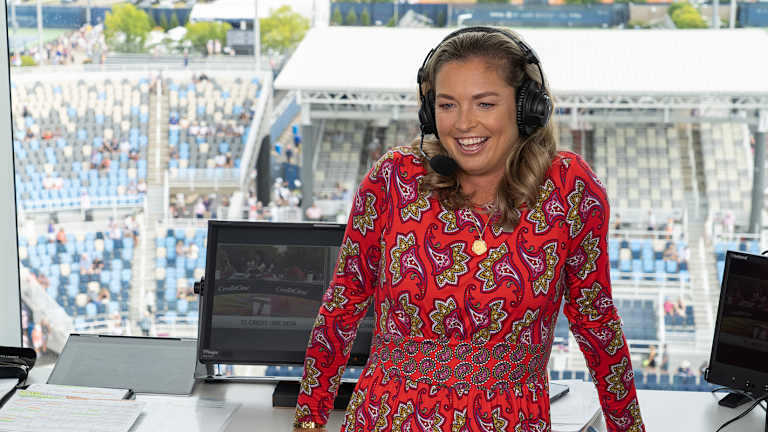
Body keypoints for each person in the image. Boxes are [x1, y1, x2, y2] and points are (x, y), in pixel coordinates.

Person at [293, 27, 645, 431]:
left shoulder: (569, 187)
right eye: (447, 105)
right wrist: (308, 420)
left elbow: (596, 320)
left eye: (485, 103)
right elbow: (343, 302)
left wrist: (628, 428)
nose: (463, 123)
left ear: (526, 108)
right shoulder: (394, 177)